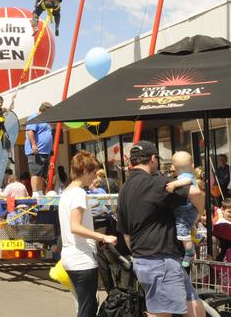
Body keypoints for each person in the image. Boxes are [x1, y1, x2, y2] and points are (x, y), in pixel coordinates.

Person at [117, 141, 205, 317]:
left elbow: (126, 233)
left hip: (146, 259)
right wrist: (196, 215)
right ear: (152, 159)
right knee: (161, 313)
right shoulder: (156, 183)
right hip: (162, 261)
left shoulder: (124, 188)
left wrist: (139, 254)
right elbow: (195, 192)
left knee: (192, 303)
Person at [59, 152, 117, 317]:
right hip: (81, 258)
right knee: (88, 308)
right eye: (92, 173)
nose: (94, 177)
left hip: (70, 255)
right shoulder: (79, 193)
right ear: (84, 171)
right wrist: (103, 237)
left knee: (83, 306)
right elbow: (75, 226)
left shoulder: (67, 192)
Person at [166, 152, 200, 268]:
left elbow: (187, 181)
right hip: (185, 209)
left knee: (183, 231)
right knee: (184, 231)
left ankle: (189, 253)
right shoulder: (187, 174)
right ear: (192, 166)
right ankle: (190, 248)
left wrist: (174, 184)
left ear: (174, 168)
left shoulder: (186, 177)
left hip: (186, 210)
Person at [24, 102, 54, 197]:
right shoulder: (34, 116)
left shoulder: (45, 120)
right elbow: (30, 131)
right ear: (45, 110)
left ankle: (40, 192)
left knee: (42, 174)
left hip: (45, 152)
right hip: (36, 151)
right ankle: (36, 193)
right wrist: (34, 145)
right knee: (35, 173)